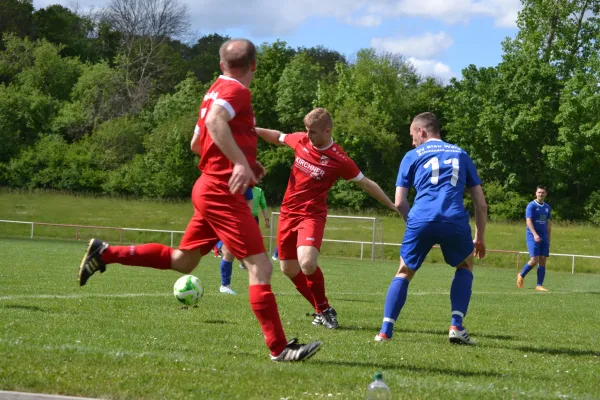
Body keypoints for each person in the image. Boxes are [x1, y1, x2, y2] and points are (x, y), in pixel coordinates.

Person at [77, 38, 321, 362]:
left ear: (221, 64)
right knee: (260, 266)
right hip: (222, 192)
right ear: (254, 66)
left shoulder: (212, 92)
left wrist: (245, 160)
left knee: (184, 261)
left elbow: (197, 143)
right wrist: (238, 162)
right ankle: (279, 348)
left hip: (207, 185)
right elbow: (214, 124)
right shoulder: (236, 91)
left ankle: (106, 253)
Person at [256, 108, 398, 329]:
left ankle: (322, 309)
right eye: (306, 130)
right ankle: (323, 310)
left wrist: (391, 205)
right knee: (288, 269)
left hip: (311, 215)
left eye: (312, 131)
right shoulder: (302, 141)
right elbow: (277, 136)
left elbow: (366, 183)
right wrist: (253, 130)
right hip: (287, 213)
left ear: (327, 131)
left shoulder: (339, 159)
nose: (308, 135)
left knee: (307, 262)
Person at [374, 112, 487, 345]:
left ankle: (385, 331)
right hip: (454, 219)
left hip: (420, 218)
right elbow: (481, 203)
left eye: (412, 135)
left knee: (404, 271)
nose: (412, 141)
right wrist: (480, 237)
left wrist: (414, 223)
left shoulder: (411, 156)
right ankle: (456, 326)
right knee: (465, 265)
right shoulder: (461, 154)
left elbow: (399, 202)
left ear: (422, 131)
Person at [217, 187, 254, 294]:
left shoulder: (244, 182)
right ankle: (225, 285)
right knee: (229, 251)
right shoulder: (217, 179)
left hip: (237, 224)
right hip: (217, 222)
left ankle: (260, 285)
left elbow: (249, 203)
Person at [517, 185, 551, 292]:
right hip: (532, 236)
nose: (541, 194)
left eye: (543, 192)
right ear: (536, 193)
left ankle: (539, 285)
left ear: (546, 194)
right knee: (534, 260)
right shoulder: (531, 206)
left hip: (544, 237)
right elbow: (528, 221)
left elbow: (548, 224)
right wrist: (535, 234)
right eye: (539, 192)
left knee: (542, 260)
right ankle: (521, 275)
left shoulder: (547, 207)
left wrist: (548, 238)